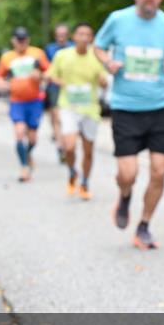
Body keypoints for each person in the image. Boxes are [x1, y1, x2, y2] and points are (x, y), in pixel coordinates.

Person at [94, 0, 164, 249]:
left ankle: (144, 226)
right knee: (127, 174)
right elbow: (99, 47)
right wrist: (108, 62)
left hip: (159, 108)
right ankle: (125, 195)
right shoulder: (118, 20)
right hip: (125, 108)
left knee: (159, 172)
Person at [46, 22, 107, 200]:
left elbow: (103, 79)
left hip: (90, 108)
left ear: (91, 39)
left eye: (87, 35)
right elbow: (50, 75)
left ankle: (85, 182)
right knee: (70, 146)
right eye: (80, 34)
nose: (83, 38)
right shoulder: (62, 55)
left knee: (88, 150)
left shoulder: (96, 57)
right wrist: (60, 82)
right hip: (69, 106)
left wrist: (104, 82)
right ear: (74, 37)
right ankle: (72, 171)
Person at [0, 27, 50, 182]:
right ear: (13, 41)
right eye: (18, 40)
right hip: (17, 101)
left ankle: (27, 154)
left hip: (34, 100)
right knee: (20, 132)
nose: (21, 43)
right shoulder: (7, 57)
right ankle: (24, 167)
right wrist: (2, 84)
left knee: (33, 139)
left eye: (24, 40)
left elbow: (49, 72)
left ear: (28, 40)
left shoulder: (37, 54)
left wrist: (40, 75)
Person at [44, 23, 74, 158]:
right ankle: (60, 146)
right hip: (54, 87)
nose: (61, 38)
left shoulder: (73, 47)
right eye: (59, 35)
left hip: (71, 87)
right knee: (56, 116)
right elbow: (46, 68)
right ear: (55, 36)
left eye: (64, 35)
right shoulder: (49, 49)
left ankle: (68, 141)